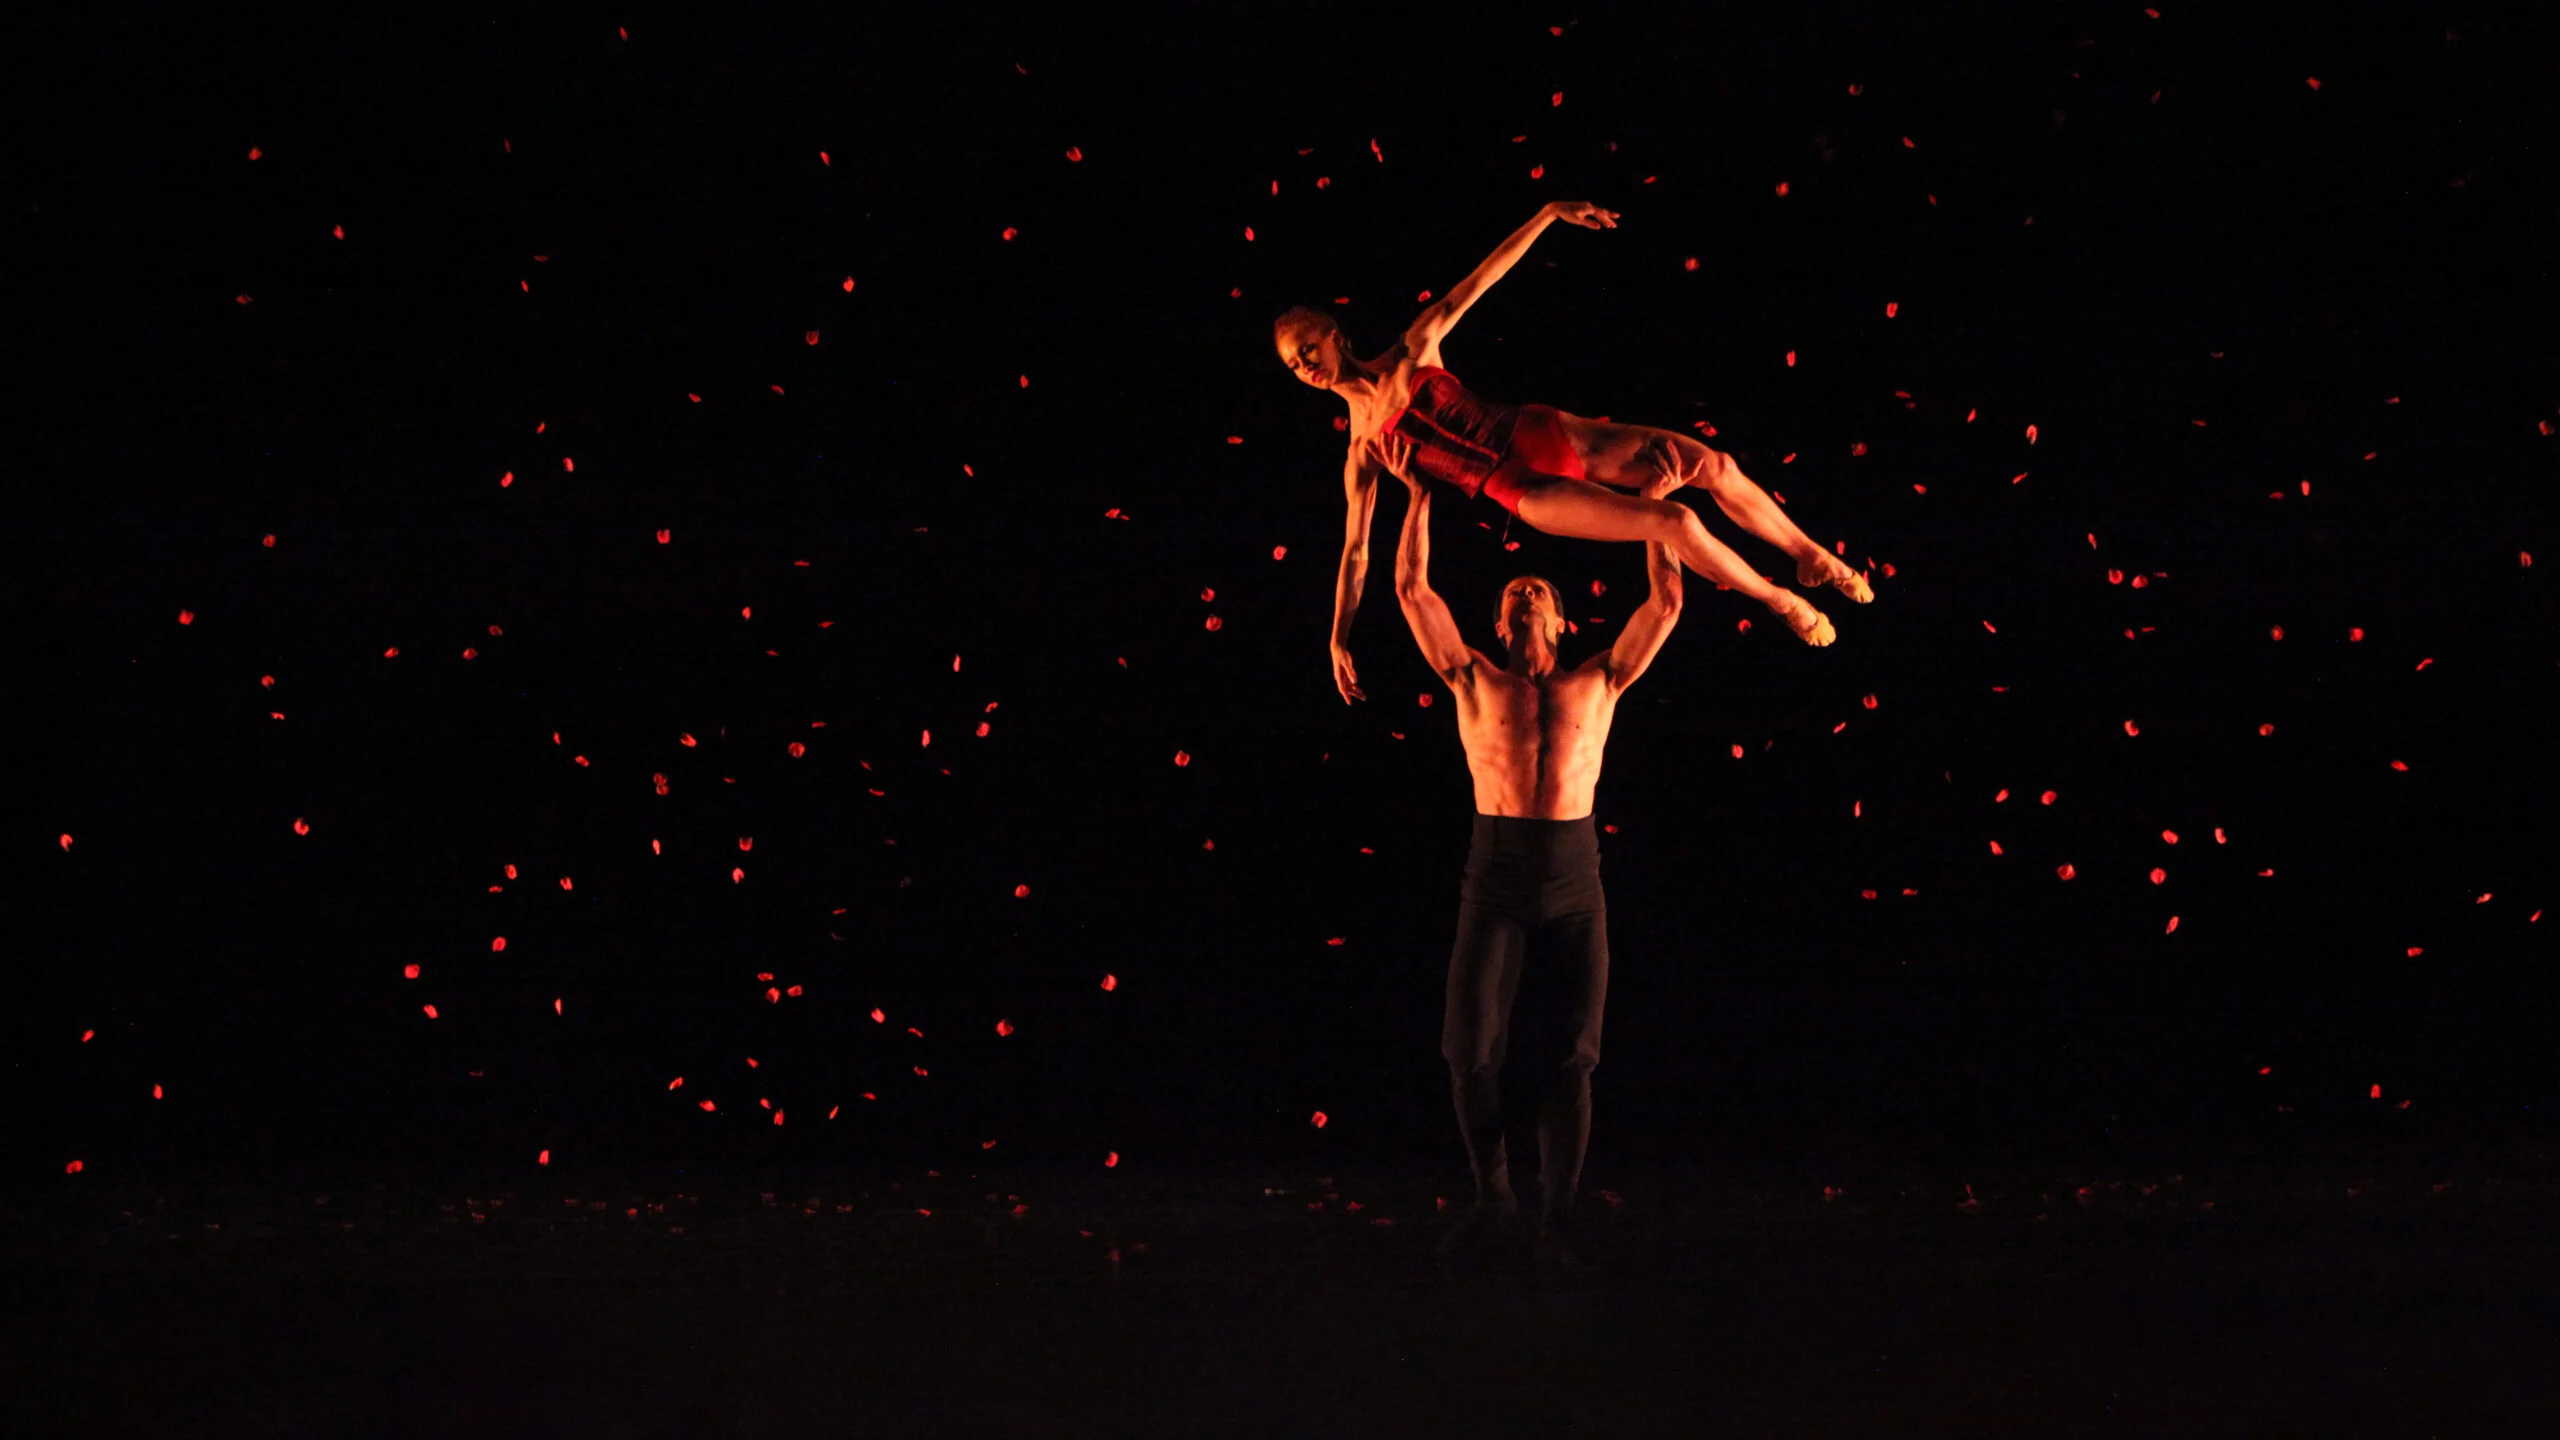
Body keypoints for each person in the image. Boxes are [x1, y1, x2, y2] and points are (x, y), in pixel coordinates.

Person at [1275, 200, 1874, 707]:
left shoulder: (1412, 349)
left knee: (1712, 465)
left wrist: (1548, 213)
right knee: (1674, 520)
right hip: (1523, 488)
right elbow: (1356, 551)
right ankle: (1780, 601)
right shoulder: (1364, 450)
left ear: (1335, 335)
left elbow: (1480, 280)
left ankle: (1810, 555)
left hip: (1542, 430)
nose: (1306, 366)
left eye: (1308, 348)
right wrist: (1338, 637)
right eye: (1294, 365)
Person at [1388, 460, 1681, 1272]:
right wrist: (1417, 497)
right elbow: (1414, 592)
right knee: (1468, 1048)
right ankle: (1495, 1198)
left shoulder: (1602, 681)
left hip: (1574, 876)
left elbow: (1666, 603)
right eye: (1515, 588)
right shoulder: (1471, 677)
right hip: (1498, 868)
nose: (1527, 593)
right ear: (1501, 616)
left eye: (1539, 589)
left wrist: (1653, 513)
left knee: (1573, 1054)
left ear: (1559, 617)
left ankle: (1559, 1217)